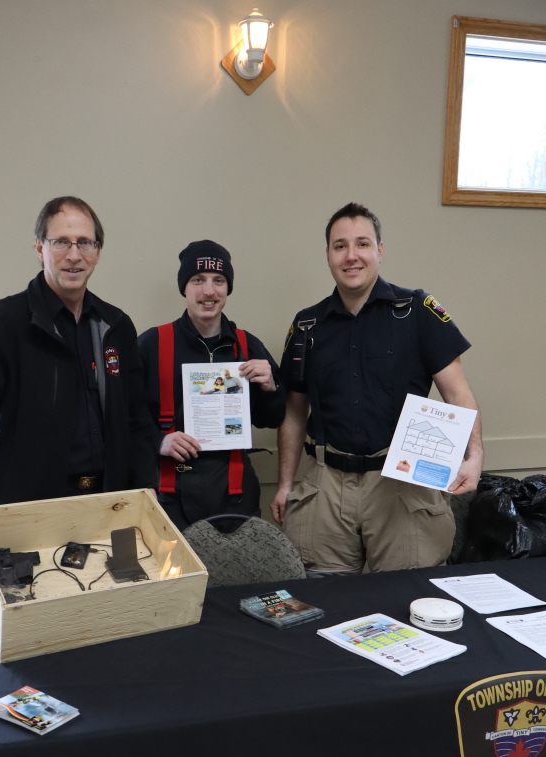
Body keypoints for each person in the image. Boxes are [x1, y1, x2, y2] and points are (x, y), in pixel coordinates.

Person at [0, 196, 157, 590]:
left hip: (106, 515)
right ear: (39, 247)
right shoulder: (0, 324)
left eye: (85, 242)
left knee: (104, 633)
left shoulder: (115, 326)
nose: (74, 255)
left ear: (98, 251)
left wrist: (146, 494)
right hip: (20, 525)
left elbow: (136, 422)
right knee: (30, 640)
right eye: (61, 241)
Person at [271, 202, 483, 573]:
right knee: (323, 602)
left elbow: (458, 394)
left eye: (362, 244)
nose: (351, 256)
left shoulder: (417, 311)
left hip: (401, 482)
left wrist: (475, 456)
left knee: (407, 599)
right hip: (325, 484)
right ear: (328, 255)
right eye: (340, 246)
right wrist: (285, 484)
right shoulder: (307, 325)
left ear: (380, 251)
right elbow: (293, 412)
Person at [138, 240, 286, 530]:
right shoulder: (152, 345)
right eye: (198, 280)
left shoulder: (247, 345)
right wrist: (159, 441)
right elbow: (126, 417)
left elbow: (272, 419)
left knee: (237, 574)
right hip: (170, 493)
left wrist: (270, 388)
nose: (209, 291)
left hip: (233, 492)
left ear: (228, 288)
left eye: (218, 280)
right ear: (184, 287)